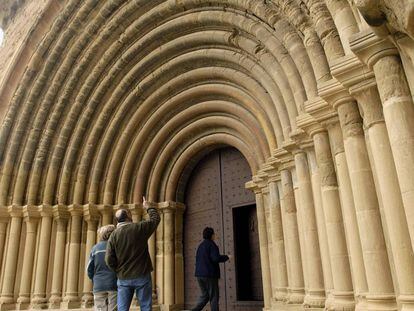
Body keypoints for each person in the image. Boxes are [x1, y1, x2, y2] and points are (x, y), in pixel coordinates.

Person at [105, 197, 160, 311]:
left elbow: (108, 259)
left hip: (123, 277)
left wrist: (118, 270)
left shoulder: (113, 236)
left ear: (117, 220)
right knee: (145, 307)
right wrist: (148, 207)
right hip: (142, 275)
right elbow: (155, 219)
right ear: (129, 216)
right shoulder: (138, 228)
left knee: (122, 309)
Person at [191, 227, 230, 311]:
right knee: (214, 296)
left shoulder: (200, 246)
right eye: (214, 234)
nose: (214, 235)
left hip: (199, 275)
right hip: (209, 275)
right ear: (212, 235)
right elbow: (215, 258)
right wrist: (227, 257)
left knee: (205, 296)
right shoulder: (212, 244)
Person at [87, 224, 118, 311]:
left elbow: (89, 269)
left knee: (100, 309)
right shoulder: (116, 247)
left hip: (99, 284)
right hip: (113, 283)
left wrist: (95, 279)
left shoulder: (95, 248)